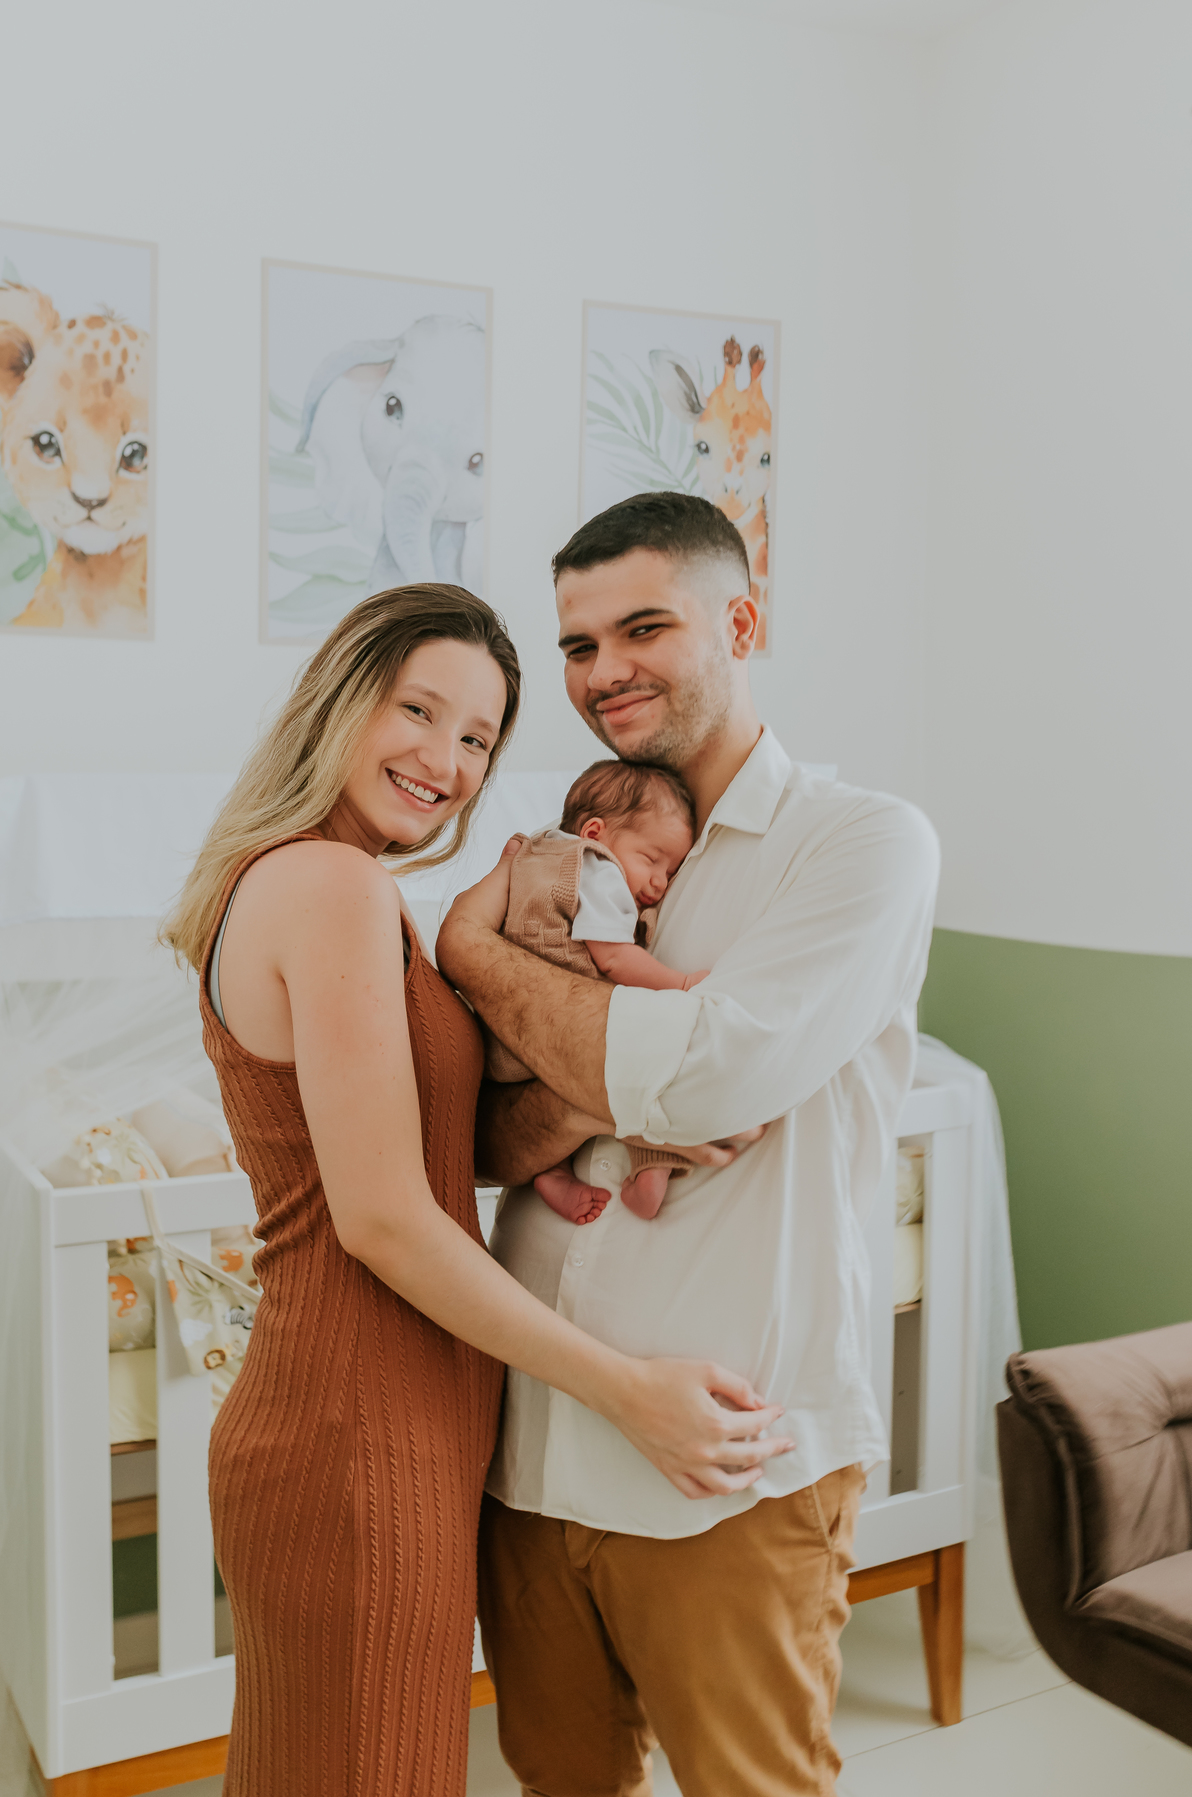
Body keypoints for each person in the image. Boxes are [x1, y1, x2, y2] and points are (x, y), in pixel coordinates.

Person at [161, 584, 790, 1797]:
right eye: (419, 711)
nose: (444, 762)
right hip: (358, 1424)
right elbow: (388, 1218)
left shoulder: (337, 887)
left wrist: (608, 1102)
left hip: (387, 1418)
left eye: (477, 739)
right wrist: (628, 1392)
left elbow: (442, 1154)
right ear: (340, 700)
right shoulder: (329, 888)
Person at [436, 499, 941, 1797]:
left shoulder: (860, 842)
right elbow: (486, 1139)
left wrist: (480, 959)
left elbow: (714, 1074)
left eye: (643, 627)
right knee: (561, 1780)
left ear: (742, 623)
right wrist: (618, 1085)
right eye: (579, 644)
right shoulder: (568, 849)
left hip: (728, 1461)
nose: (605, 671)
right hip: (537, 1450)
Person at [484, 757, 710, 1226]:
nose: (658, 882)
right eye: (651, 859)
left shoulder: (533, 853)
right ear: (594, 833)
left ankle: (550, 1170)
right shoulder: (597, 868)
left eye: (671, 871)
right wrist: (682, 984)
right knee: (639, 1057)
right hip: (554, 1023)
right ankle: (652, 1165)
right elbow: (612, 958)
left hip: (503, 1033)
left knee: (549, 1099)